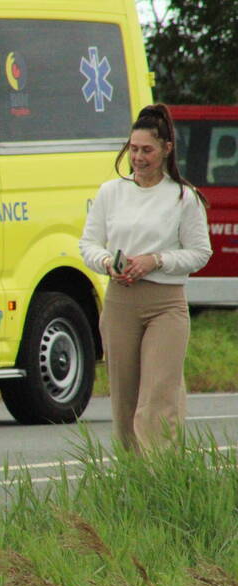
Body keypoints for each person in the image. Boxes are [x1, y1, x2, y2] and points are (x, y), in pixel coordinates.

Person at [79, 104, 211, 451]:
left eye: (147, 150)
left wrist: (157, 260)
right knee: (125, 403)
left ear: (166, 149)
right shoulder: (111, 193)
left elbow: (200, 253)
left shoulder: (183, 197)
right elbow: (89, 243)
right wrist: (107, 262)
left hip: (165, 305)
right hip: (120, 302)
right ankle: (132, 480)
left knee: (156, 400)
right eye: (133, 149)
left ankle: (161, 475)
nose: (138, 157)